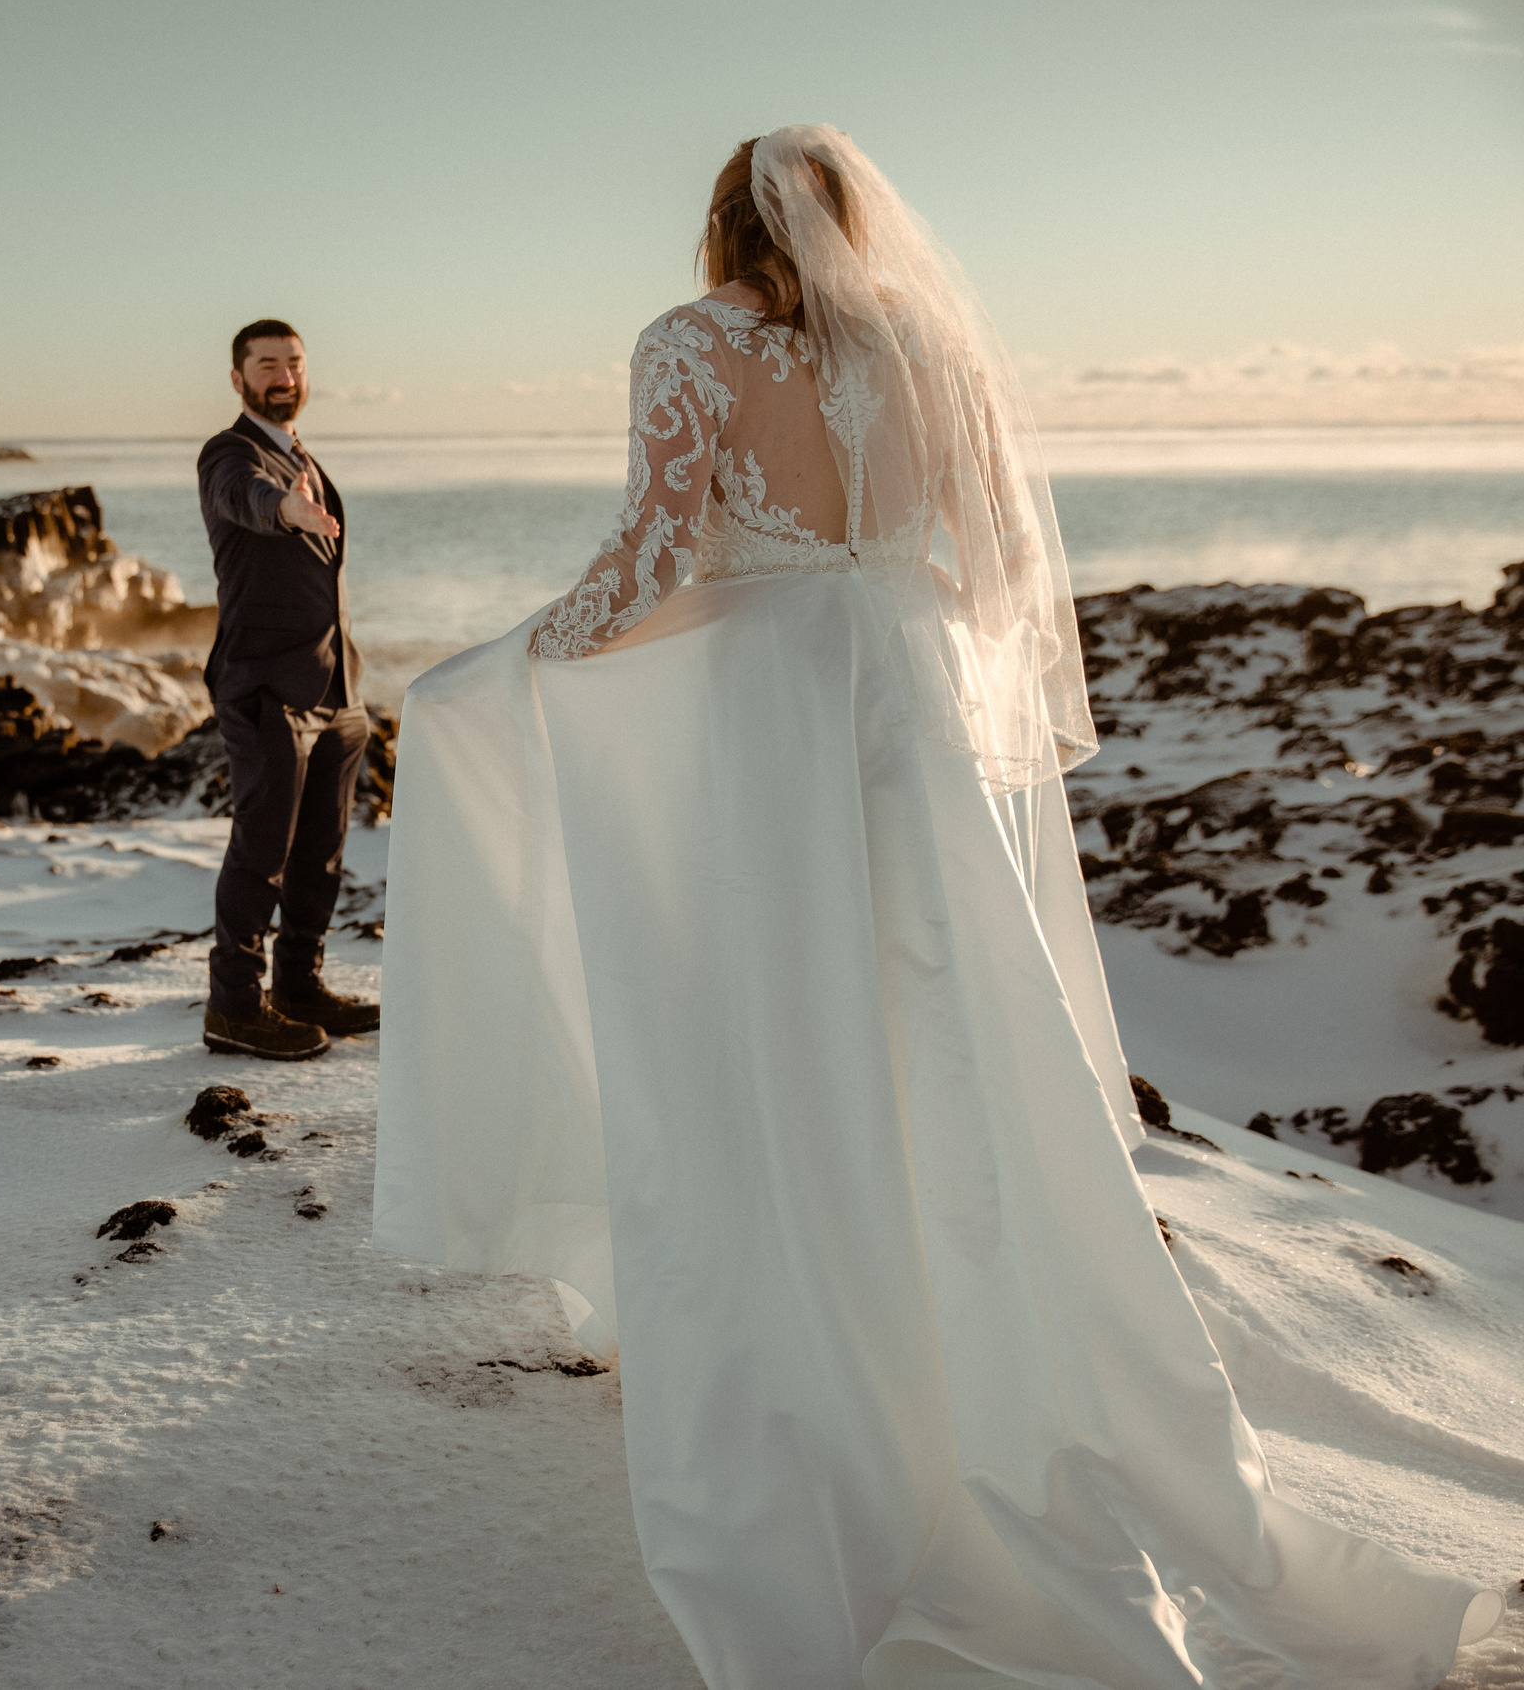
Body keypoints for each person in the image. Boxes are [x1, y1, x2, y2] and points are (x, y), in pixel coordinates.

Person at [372, 126, 1502, 1689]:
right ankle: (1022, 1392)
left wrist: (507, 667)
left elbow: (652, 552)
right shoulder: (935, 352)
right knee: (957, 1043)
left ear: (722, 227)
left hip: (768, 718)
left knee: (794, 1038)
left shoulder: (690, 342)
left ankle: (834, 1398)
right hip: (912, 705)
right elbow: (992, 580)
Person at [195, 318, 382, 1061]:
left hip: (333, 684)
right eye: (267, 364)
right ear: (238, 378)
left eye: (294, 363)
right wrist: (288, 510)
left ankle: (299, 986)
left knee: (321, 853)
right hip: (266, 687)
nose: (284, 375)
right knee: (260, 850)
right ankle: (233, 1006)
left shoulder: (300, 452)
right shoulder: (231, 454)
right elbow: (245, 497)